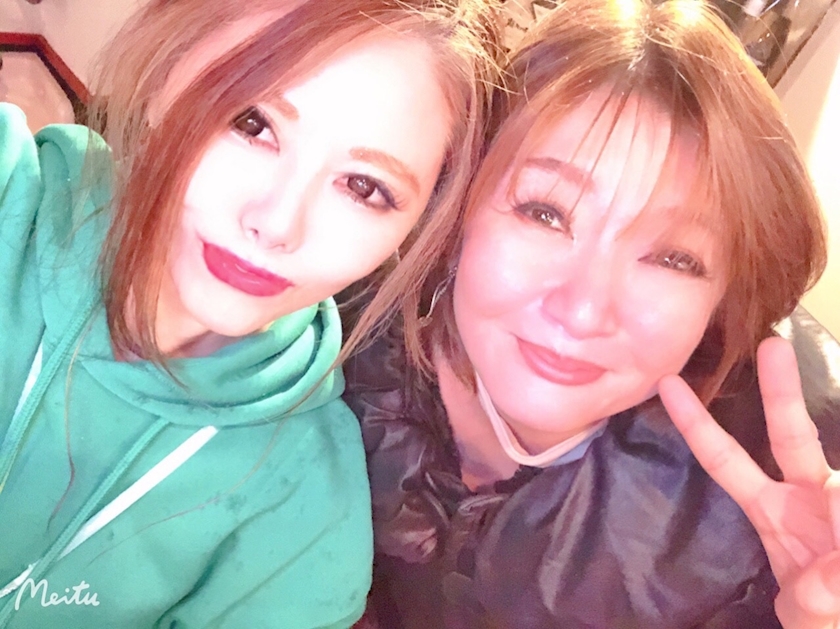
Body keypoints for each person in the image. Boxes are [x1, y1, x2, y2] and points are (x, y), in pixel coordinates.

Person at [0, 0, 500, 626]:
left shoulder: (303, 518)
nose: (276, 223)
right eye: (251, 122)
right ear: (162, 76)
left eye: (364, 187)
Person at [343, 0, 840, 627]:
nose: (581, 312)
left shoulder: (782, 493)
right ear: (460, 199)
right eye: (545, 213)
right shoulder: (331, 330)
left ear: (725, 299)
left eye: (674, 258)